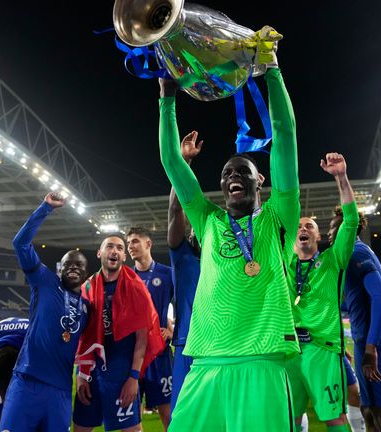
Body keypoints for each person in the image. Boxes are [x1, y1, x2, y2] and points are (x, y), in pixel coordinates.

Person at [158, 26, 300, 431]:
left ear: (260, 183)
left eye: (243, 171)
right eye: (225, 173)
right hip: (204, 364)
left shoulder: (279, 217)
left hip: (263, 361)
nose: (232, 176)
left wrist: (271, 69)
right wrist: (167, 95)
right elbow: (172, 161)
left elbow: (285, 135)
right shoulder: (208, 221)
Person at [0, 193, 90, 431]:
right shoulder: (45, 281)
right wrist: (45, 208)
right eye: (68, 264)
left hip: (60, 391)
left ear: (86, 273)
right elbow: (20, 243)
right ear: (59, 269)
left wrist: (84, 374)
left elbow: (89, 345)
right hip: (27, 382)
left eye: (79, 265)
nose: (73, 268)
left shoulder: (87, 306)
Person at [286, 153, 359, 432]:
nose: (303, 228)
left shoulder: (332, 260)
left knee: (333, 417)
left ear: (319, 236)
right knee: (288, 418)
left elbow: (351, 222)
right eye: (299, 227)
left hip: (322, 349)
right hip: (289, 349)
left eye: (310, 227)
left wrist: (341, 177)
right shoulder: (283, 263)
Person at [74, 235, 165, 432]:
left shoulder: (136, 287)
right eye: (109, 246)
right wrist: (81, 374)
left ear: (124, 256)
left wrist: (133, 378)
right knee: (80, 427)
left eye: (119, 248)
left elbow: (142, 338)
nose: (114, 251)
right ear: (100, 253)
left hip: (121, 372)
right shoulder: (87, 287)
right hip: (91, 371)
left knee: (132, 429)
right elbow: (81, 336)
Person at [342, 214, 381, 431]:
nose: (328, 233)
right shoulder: (358, 252)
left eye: (332, 228)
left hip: (372, 340)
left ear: (344, 229)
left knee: (380, 411)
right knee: (369, 409)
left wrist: (370, 347)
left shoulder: (356, 252)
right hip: (376, 337)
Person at [166, 131, 202, 413]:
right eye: (194, 227)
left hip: (220, 346)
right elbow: (175, 209)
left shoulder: (225, 257)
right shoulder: (182, 255)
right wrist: (183, 163)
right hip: (187, 345)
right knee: (182, 418)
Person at [127, 227, 175, 429]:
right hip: (133, 354)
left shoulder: (167, 274)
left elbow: (188, 302)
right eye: (129, 243)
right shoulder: (125, 277)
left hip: (160, 353)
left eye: (135, 241)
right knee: (132, 414)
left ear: (148, 244)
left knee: (168, 412)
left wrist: (174, 330)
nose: (131, 246)